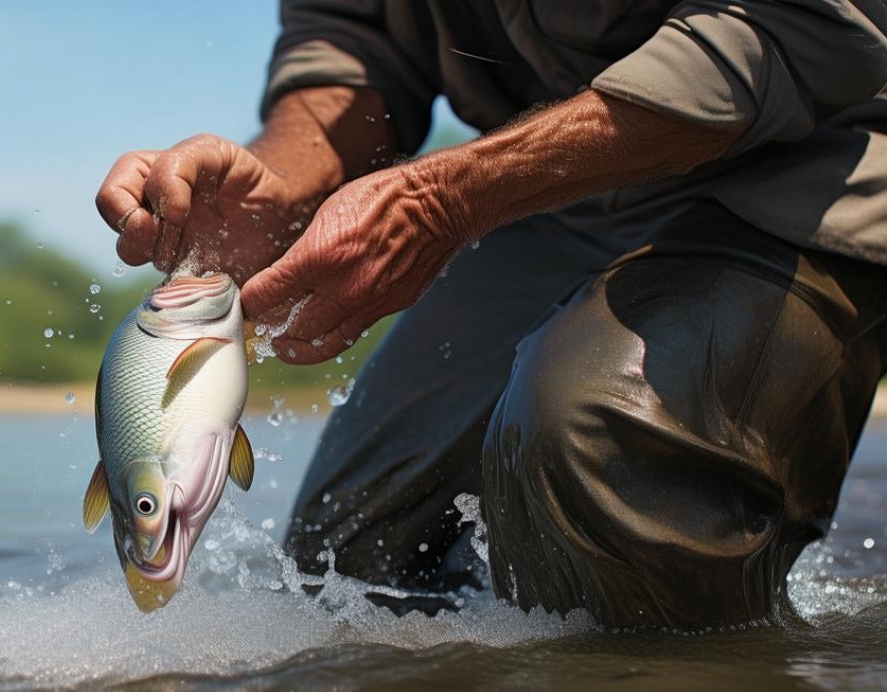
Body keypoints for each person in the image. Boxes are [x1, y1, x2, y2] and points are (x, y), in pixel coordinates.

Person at [95, 1, 887, 629]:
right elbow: (354, 48)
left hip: (810, 161)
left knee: (593, 436)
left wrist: (445, 199)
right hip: (557, 192)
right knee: (343, 562)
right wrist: (282, 185)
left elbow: (790, 25)